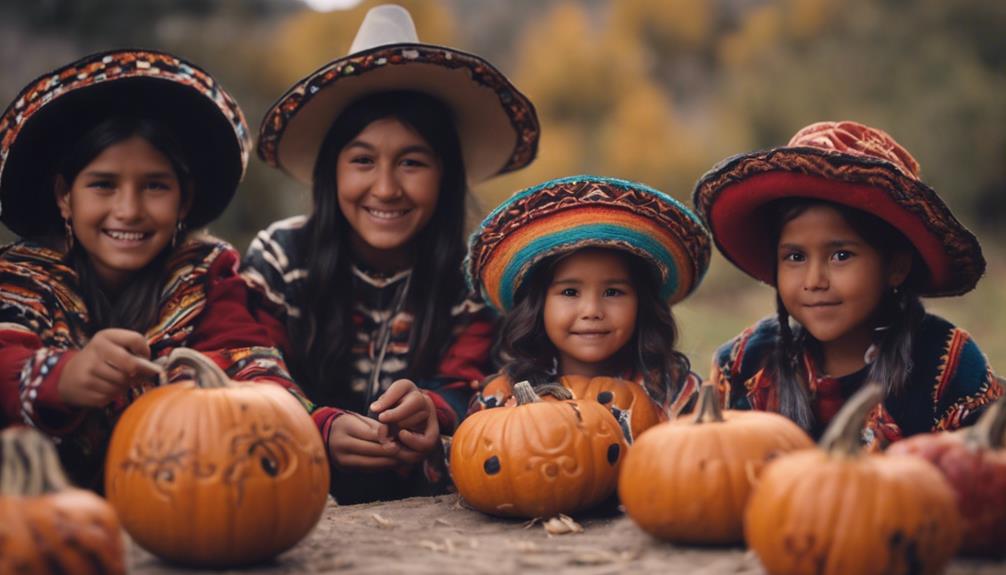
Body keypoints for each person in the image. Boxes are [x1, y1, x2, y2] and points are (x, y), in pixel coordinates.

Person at [0, 49, 337, 490]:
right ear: (66, 195)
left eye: (155, 186)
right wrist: (65, 377)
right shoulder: (21, 282)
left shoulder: (208, 277)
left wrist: (314, 422)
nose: (129, 210)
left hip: (176, 496)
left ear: (185, 199)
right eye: (103, 185)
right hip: (39, 514)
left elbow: (246, 359)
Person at [242, 4, 540, 502]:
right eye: (362, 160)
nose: (385, 188)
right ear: (330, 171)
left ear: (446, 176)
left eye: (412, 162)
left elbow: (474, 378)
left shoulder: (474, 275)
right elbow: (249, 362)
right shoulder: (280, 257)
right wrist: (316, 425)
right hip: (285, 491)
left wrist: (433, 410)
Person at [693, 121, 1003, 447]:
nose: (814, 281)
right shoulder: (745, 362)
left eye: (841, 255)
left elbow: (981, 474)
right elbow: (717, 468)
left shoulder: (944, 364)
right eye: (795, 257)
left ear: (896, 265)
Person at [466, 175, 712, 440]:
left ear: (641, 301)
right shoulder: (504, 397)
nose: (592, 310)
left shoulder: (674, 391)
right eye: (570, 292)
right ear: (538, 305)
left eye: (613, 292)